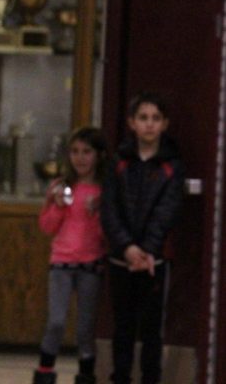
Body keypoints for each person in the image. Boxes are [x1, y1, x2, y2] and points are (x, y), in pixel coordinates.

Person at [101, 92, 184, 384]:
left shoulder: (172, 166)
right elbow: (109, 208)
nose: (149, 125)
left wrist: (147, 250)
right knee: (122, 326)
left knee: (152, 330)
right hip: (122, 258)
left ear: (164, 124)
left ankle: (151, 379)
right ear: (132, 123)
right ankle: (119, 377)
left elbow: (167, 211)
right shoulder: (118, 162)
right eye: (143, 118)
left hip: (154, 261)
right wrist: (127, 248)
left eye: (155, 119)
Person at [32, 127, 109, 384]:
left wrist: (96, 213)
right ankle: (45, 371)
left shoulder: (103, 191)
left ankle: (86, 373)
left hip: (90, 264)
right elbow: (47, 226)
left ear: (98, 155)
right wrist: (57, 205)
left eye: (87, 152)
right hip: (61, 264)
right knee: (55, 321)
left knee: (86, 326)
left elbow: (106, 234)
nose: (81, 158)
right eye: (75, 151)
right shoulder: (60, 187)